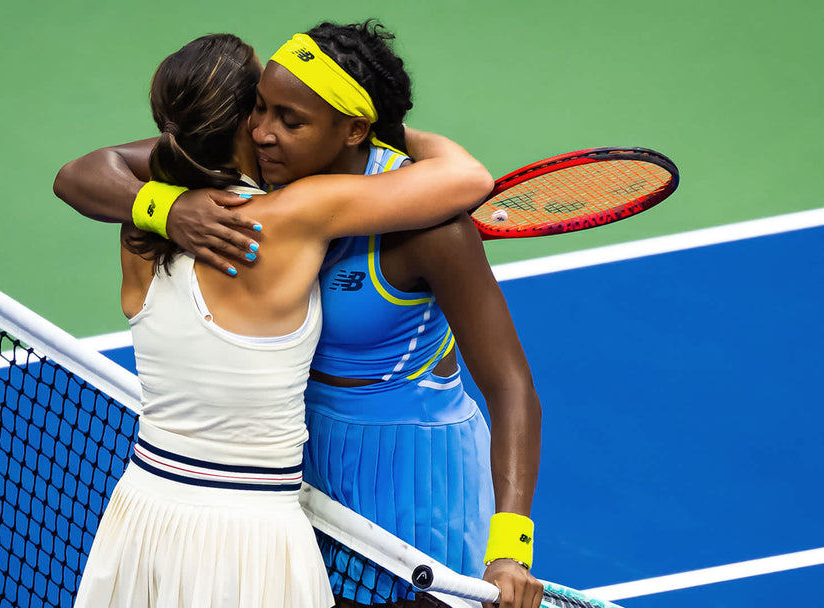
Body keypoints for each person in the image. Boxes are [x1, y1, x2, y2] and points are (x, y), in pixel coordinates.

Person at [55, 21, 544, 608]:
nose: (263, 133)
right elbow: (91, 170)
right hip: (298, 478)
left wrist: (511, 548)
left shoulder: (431, 224)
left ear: (353, 128)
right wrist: (171, 205)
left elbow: (510, 385)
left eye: (291, 120)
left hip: (411, 480)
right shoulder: (260, 178)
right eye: (258, 109)